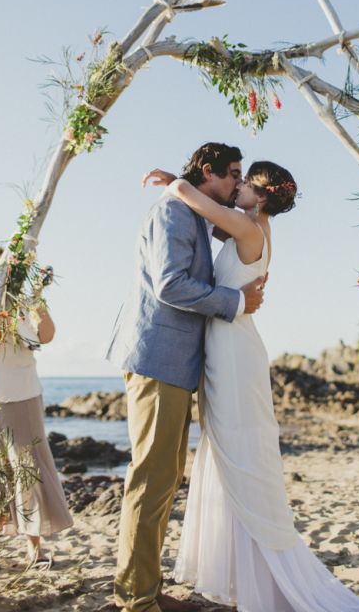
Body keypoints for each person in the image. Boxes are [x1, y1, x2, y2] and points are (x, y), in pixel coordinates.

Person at [145, 161, 359, 612]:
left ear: (263, 196)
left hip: (232, 353)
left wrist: (172, 179)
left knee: (240, 458)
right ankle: (245, 579)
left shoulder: (249, 229)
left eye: (248, 182)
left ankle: (263, 582)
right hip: (228, 345)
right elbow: (208, 213)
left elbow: (197, 201)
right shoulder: (248, 228)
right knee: (232, 457)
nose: (241, 185)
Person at [106, 143, 267, 612]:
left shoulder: (193, 210)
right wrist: (236, 302)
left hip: (174, 363)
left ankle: (148, 590)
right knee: (151, 478)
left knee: (164, 477)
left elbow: (238, 228)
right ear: (208, 172)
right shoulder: (175, 213)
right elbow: (171, 284)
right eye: (233, 174)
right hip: (157, 358)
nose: (238, 182)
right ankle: (135, 600)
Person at [0, 246, 73, 566]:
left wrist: (37, 296)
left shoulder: (23, 308)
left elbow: (46, 336)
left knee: (29, 471)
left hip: (22, 397)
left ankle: (34, 549)